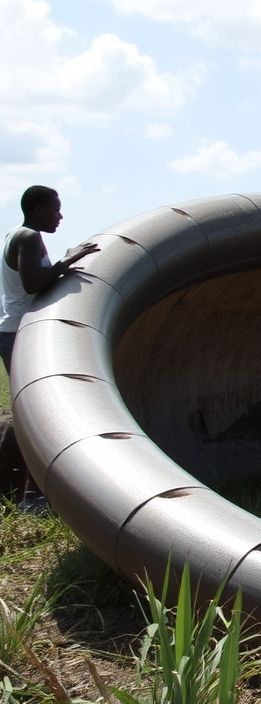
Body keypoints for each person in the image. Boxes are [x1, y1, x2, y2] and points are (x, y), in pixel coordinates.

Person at [2, 185, 98, 512]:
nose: (60, 216)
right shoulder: (28, 238)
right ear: (39, 209)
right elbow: (32, 283)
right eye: (56, 209)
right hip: (19, 335)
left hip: (14, 332)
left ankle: (24, 491)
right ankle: (33, 498)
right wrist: (67, 262)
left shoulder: (16, 235)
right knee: (37, 414)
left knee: (29, 411)